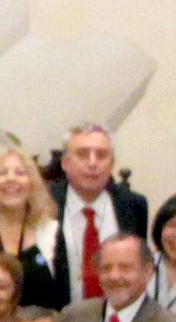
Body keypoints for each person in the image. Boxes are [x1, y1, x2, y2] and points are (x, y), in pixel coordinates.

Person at [0, 147, 70, 311]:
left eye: (20, 173)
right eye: (2, 173)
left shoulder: (51, 231)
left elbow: (63, 296)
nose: (11, 179)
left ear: (32, 184)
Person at [52, 124, 148, 304]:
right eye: (82, 154)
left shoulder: (133, 204)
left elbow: (139, 267)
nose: (92, 163)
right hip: (58, 319)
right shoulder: (44, 203)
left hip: (117, 318)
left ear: (111, 164)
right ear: (65, 163)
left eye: (102, 155)